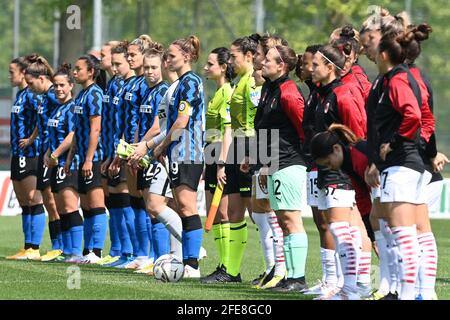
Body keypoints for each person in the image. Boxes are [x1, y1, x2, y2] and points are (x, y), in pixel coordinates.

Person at [310, 44, 367, 300]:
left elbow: (357, 135)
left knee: (344, 230)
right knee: (340, 229)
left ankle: (353, 288)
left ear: (329, 67)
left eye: (315, 65)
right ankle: (347, 286)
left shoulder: (343, 94)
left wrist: (351, 168)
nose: (310, 68)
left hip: (342, 172)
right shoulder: (324, 94)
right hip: (328, 168)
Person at [374, 29, 426, 300]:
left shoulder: (397, 80)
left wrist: (392, 142)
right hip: (406, 165)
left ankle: (408, 295)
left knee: (403, 235)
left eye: (375, 51)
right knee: (403, 234)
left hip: (401, 164)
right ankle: (409, 293)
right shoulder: (398, 78)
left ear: (384, 55)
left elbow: (414, 115)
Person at [253, 45, 309, 292]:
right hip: (273, 163)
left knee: (291, 220)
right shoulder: (269, 88)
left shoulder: (288, 93)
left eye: (267, 59)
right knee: (282, 221)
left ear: (281, 66)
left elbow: (303, 129)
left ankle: (298, 278)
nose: (262, 62)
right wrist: (263, 162)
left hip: (289, 162)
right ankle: (289, 275)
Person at [153, 35, 205, 279]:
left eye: (172, 55)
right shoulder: (181, 83)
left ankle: (192, 265)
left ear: (186, 56)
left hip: (188, 152)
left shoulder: (191, 82)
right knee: (182, 207)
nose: (168, 60)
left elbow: (182, 122)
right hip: (178, 152)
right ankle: (188, 262)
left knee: (187, 206)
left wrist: (162, 145)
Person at [220, 34, 261, 282]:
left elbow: (259, 118)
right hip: (237, 145)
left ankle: (275, 270)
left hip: (250, 145)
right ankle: (232, 271)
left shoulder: (254, 81)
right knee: (235, 210)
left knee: (259, 213)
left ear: (248, 56)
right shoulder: (239, 82)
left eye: (234, 56)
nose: (231, 61)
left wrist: (253, 152)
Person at [133, 43, 171, 268]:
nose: (149, 71)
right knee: (149, 205)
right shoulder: (146, 91)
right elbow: (142, 122)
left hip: (157, 152)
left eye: (154, 67)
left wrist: (142, 147)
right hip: (145, 151)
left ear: (162, 67)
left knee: (156, 207)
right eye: (146, 67)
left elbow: (158, 127)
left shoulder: (163, 90)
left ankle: (162, 258)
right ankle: (155, 258)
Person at [67, 54, 107, 264]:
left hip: (95, 157)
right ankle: (88, 250)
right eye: (74, 69)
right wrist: (71, 158)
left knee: (96, 203)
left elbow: (96, 128)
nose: (74, 72)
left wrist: (90, 159)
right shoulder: (82, 95)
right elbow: (77, 130)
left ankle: (97, 252)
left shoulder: (94, 94)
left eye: (78, 69)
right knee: (86, 206)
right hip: (82, 157)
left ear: (91, 72)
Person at [199, 47, 234, 283]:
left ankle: (230, 268)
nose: (205, 68)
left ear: (223, 67)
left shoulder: (228, 93)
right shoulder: (218, 93)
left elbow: (228, 131)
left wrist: (222, 163)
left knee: (224, 213)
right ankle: (223, 266)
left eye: (210, 64)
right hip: (212, 155)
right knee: (218, 214)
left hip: (221, 156)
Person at [104, 41, 139, 268]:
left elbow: (133, 123)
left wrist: (122, 151)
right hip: (115, 149)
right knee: (115, 198)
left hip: (130, 151)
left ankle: (136, 252)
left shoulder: (138, 85)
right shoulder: (117, 85)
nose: (114, 68)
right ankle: (122, 251)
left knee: (132, 200)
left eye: (118, 63)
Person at [24, 54, 61, 260]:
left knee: (53, 200)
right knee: (48, 199)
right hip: (44, 151)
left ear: (41, 79)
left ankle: (61, 245)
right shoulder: (43, 97)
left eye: (31, 83)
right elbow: (43, 121)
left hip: (55, 153)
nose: (29, 88)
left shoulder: (55, 94)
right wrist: (31, 138)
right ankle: (58, 245)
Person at [5, 56, 43, 260]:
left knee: (33, 199)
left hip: (31, 153)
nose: (10, 76)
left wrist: (31, 139)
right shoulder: (20, 95)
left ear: (23, 72)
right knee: (23, 201)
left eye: (12, 72)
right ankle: (27, 246)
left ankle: (34, 248)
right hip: (17, 154)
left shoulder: (31, 95)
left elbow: (42, 116)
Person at [45, 63, 83, 262]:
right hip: (55, 163)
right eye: (56, 86)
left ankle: (76, 251)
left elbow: (72, 135)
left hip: (69, 163)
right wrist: (48, 153)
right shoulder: (56, 108)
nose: (59, 89)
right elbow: (54, 135)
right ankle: (67, 250)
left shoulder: (72, 108)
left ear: (70, 86)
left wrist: (56, 154)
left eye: (62, 85)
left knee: (70, 207)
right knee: (61, 209)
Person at [97, 40, 125, 266]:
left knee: (127, 202)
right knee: (112, 200)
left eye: (102, 55)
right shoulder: (111, 83)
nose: (100, 60)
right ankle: (119, 249)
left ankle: (131, 252)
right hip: (109, 150)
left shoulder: (124, 84)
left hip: (124, 151)